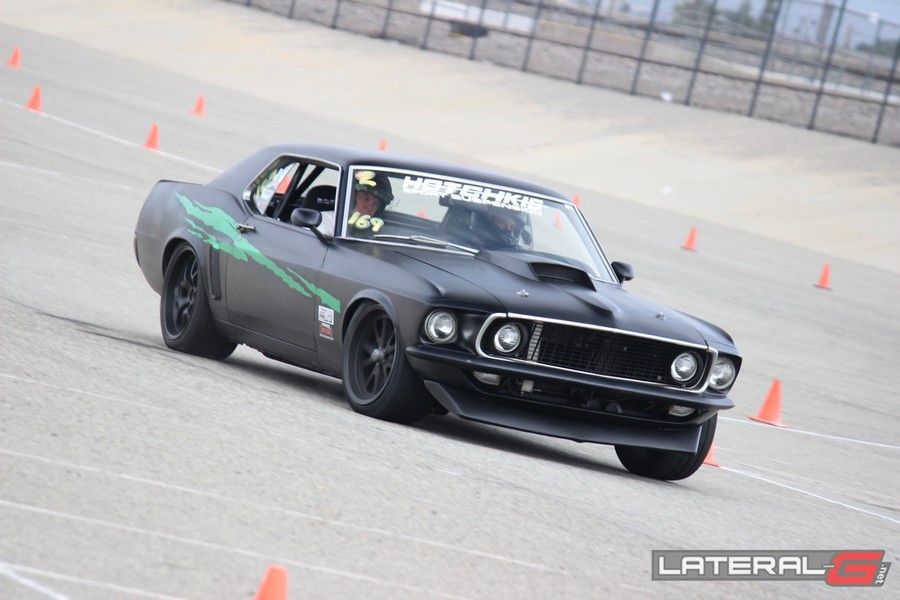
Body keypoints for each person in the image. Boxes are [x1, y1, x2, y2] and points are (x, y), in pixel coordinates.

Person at [346, 170, 393, 236]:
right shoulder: (331, 222)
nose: (369, 207)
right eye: (366, 199)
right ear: (352, 197)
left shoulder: (376, 236)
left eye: (375, 204)